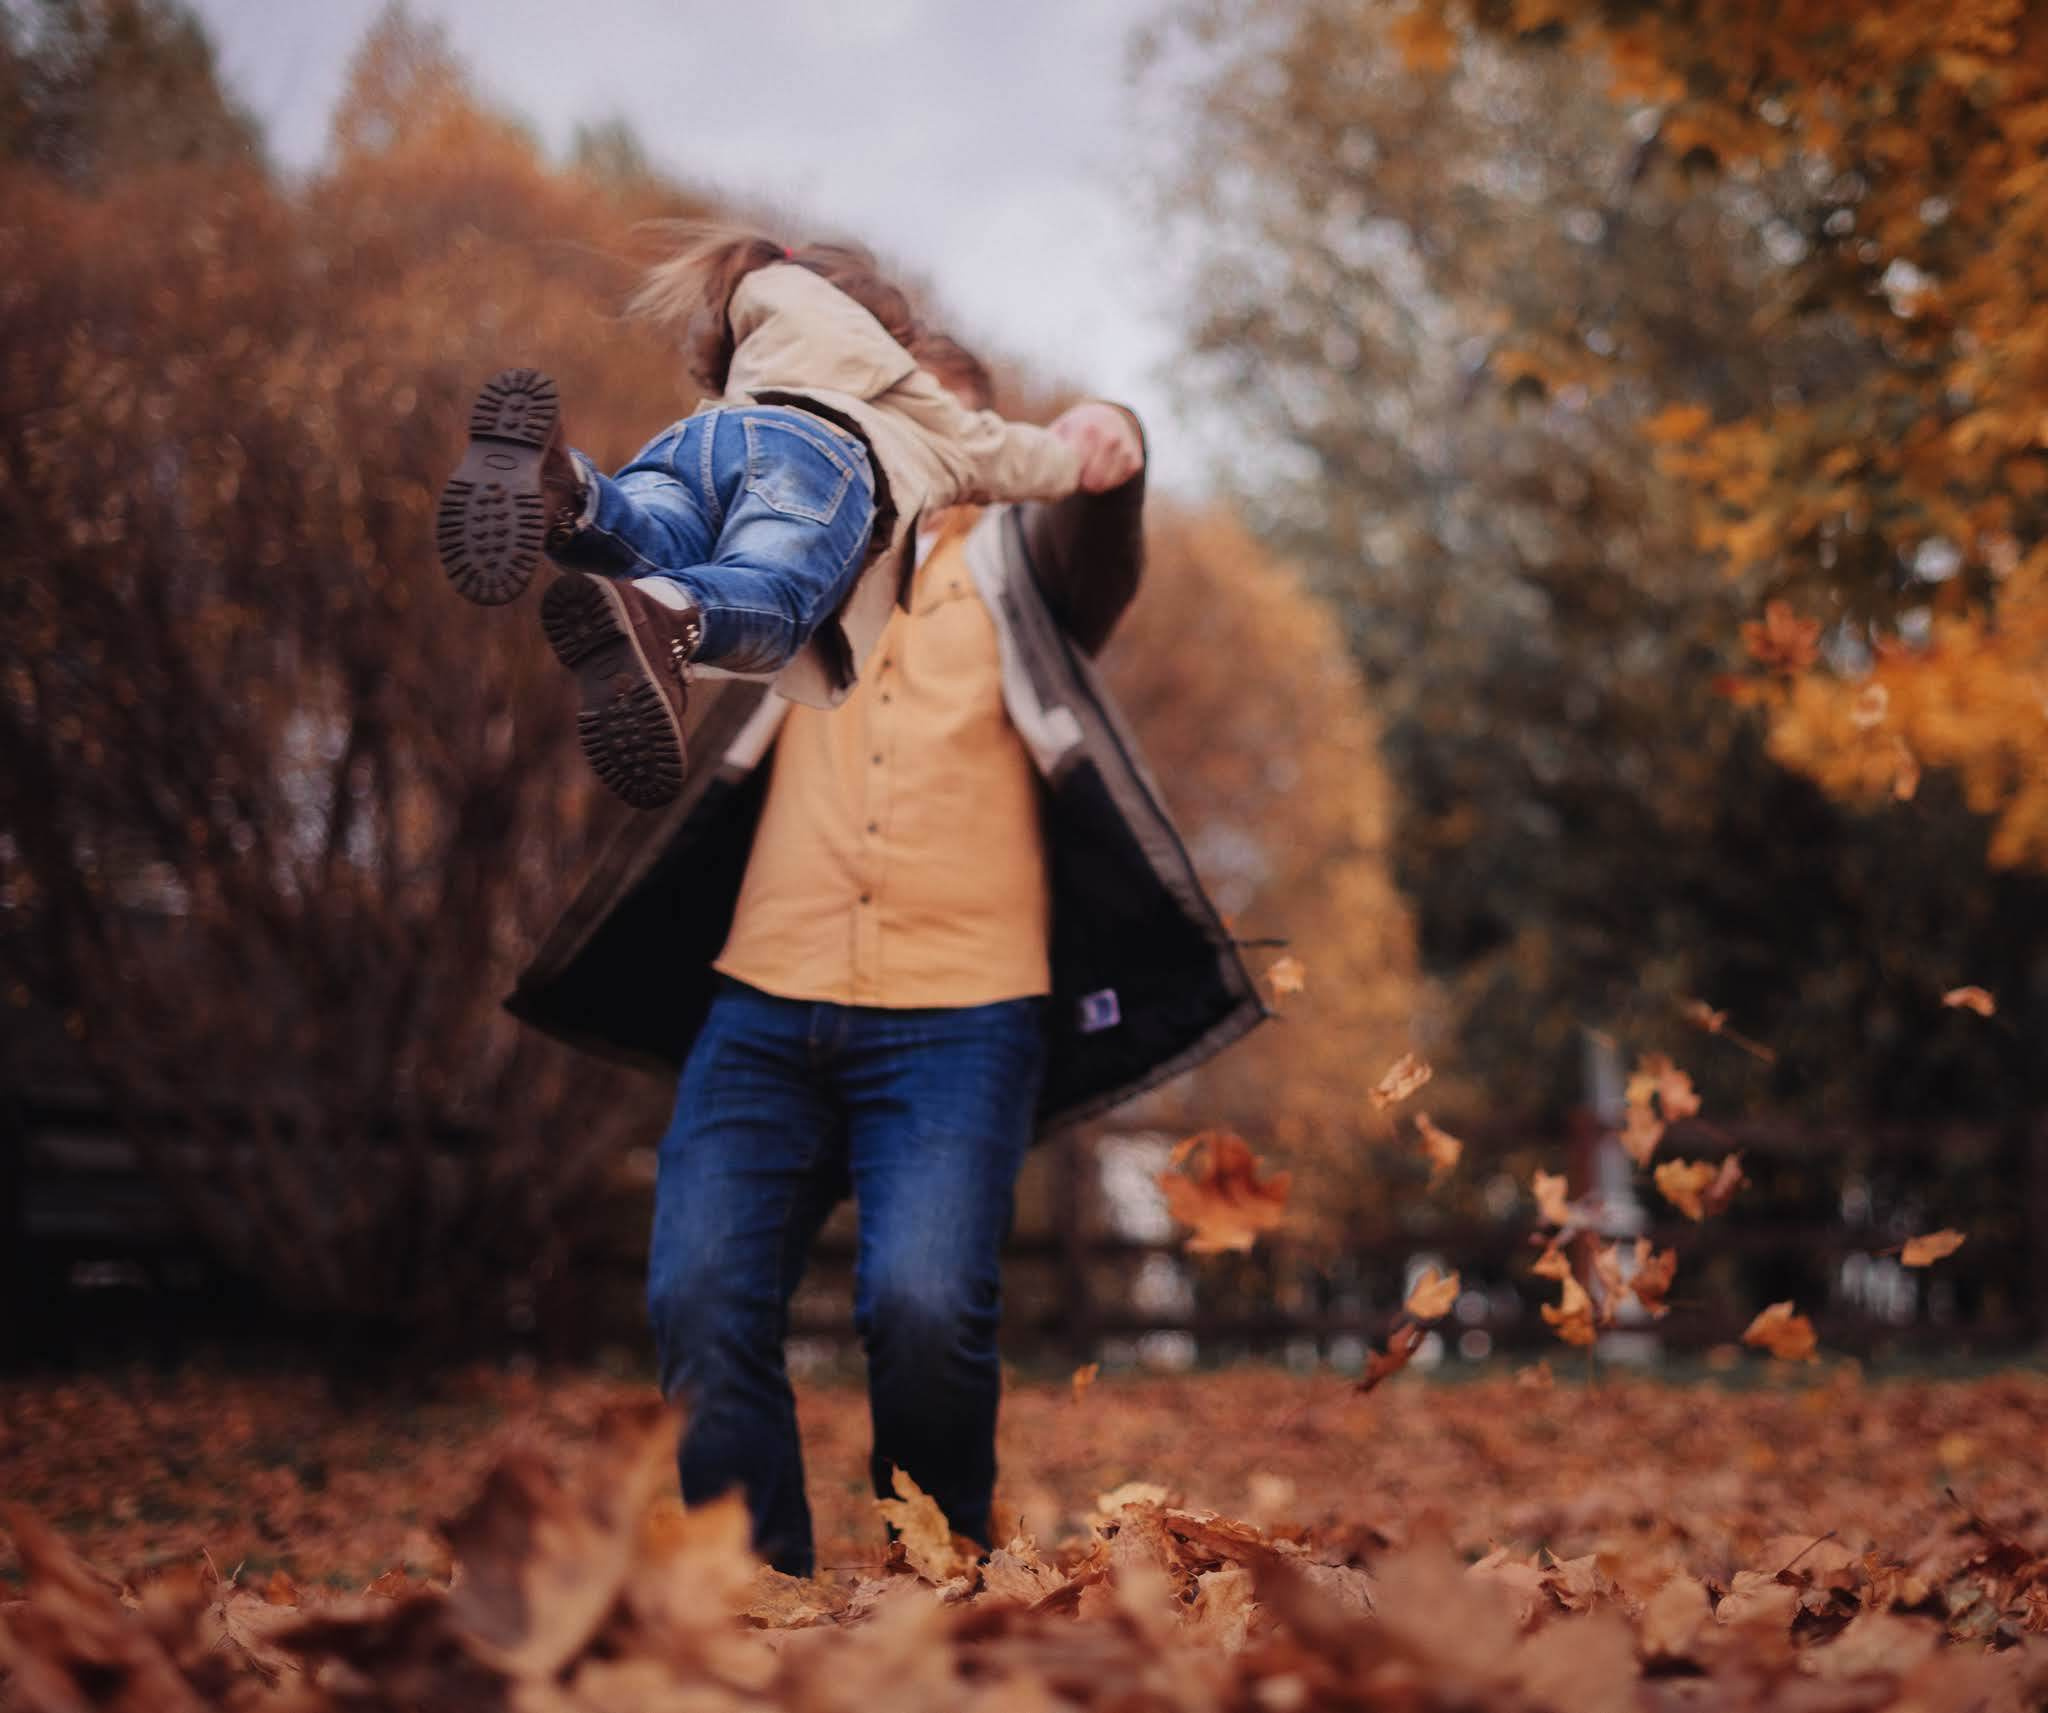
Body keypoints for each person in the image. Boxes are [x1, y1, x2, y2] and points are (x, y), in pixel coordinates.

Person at [506, 330, 1268, 1579]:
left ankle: (944, 1575)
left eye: (939, 430)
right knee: (698, 1299)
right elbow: (660, 568)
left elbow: (1098, 533)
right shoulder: (799, 554)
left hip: (962, 1018)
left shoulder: (1029, 573)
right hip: (762, 1003)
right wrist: (571, 501)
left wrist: (1110, 446)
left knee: (921, 1311)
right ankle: (764, 1594)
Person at [434, 227, 1083, 808]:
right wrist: (1076, 463)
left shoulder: (759, 317)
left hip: (700, 437)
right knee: (771, 596)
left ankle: (566, 492)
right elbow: (1009, 455)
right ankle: (667, 618)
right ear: (891, 333)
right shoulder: (908, 391)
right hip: (818, 462)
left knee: (655, 540)